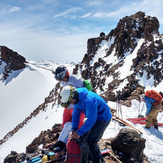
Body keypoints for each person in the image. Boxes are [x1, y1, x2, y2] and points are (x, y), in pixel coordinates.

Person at [60, 85, 112, 163]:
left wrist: (79, 133)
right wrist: (74, 129)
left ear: (72, 97)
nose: (70, 104)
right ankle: (89, 158)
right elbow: (76, 115)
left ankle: (98, 161)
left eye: (69, 102)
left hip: (103, 118)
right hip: (95, 117)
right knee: (83, 139)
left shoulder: (89, 100)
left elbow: (91, 120)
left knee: (91, 141)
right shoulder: (77, 99)